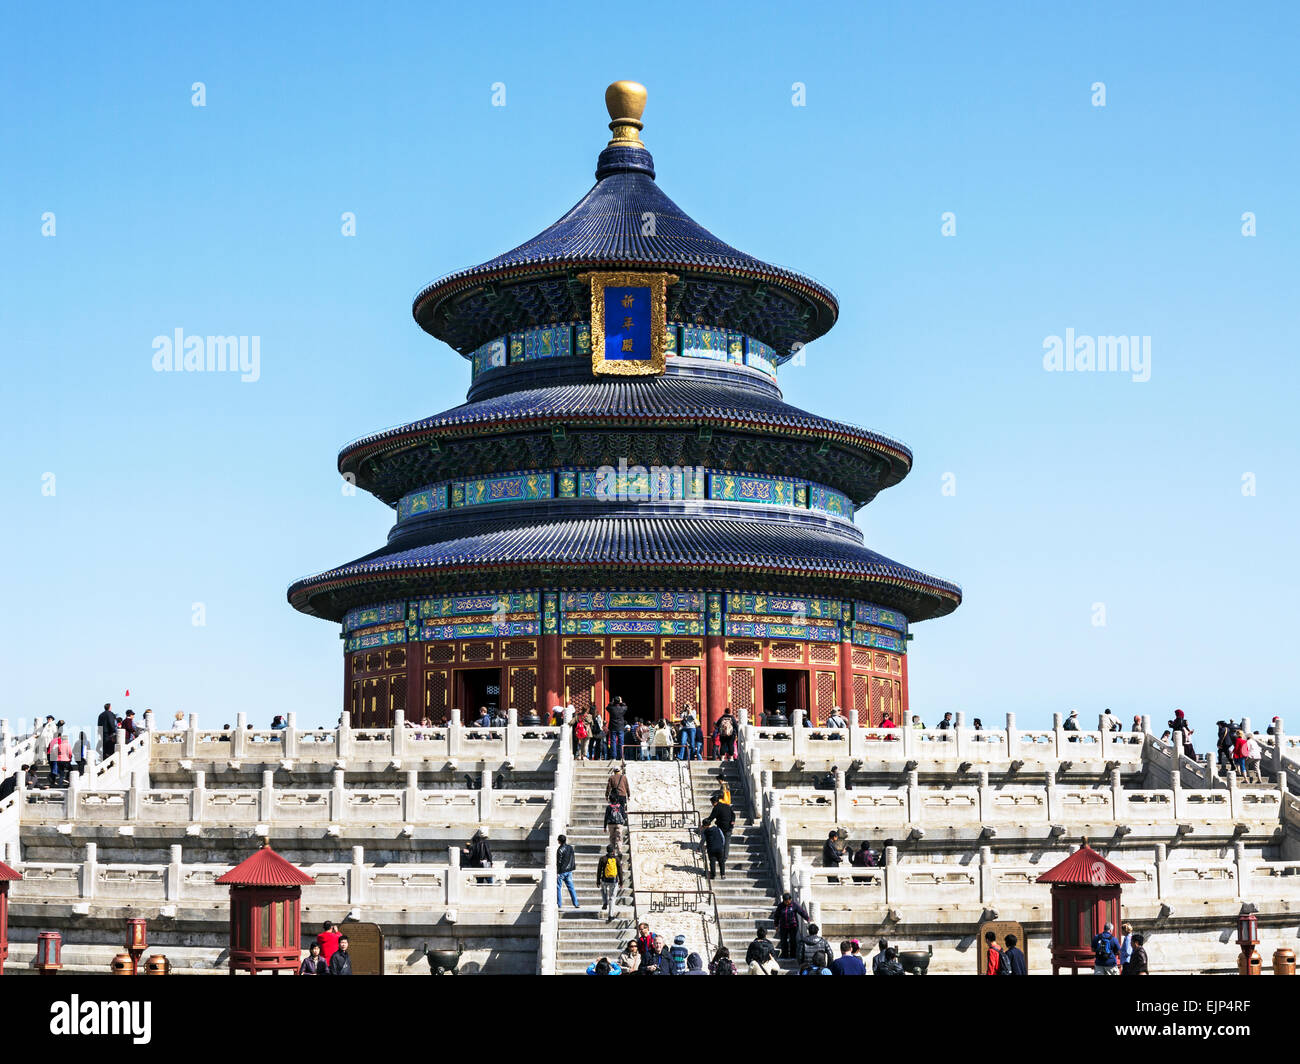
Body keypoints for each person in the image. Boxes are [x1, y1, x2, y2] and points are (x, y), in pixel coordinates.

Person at [701, 791, 735, 874]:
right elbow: (733, 814)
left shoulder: (716, 808)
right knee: (727, 843)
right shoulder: (726, 806)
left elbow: (711, 818)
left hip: (721, 828)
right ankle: (724, 858)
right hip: (729, 827)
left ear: (713, 802)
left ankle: (719, 857)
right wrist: (732, 821)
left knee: (720, 842)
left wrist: (704, 824)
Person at [772, 892, 809, 961]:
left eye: (788, 901)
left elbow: (801, 912)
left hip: (793, 926)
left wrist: (807, 918)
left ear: (790, 899)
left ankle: (793, 955)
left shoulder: (794, 905)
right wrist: (776, 925)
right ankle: (784, 955)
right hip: (783, 926)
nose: (787, 903)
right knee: (783, 941)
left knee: (793, 941)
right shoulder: (780, 906)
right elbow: (776, 916)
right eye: (785, 901)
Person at [596, 845, 623, 921]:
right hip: (614, 881)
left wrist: (598, 881)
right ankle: (610, 915)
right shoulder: (617, 859)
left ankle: (605, 902)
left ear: (607, 851)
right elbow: (620, 871)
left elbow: (599, 871)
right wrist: (621, 881)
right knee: (612, 898)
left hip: (604, 880)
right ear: (613, 851)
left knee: (603, 891)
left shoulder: (603, 859)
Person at [556, 833, 579, 909]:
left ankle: (559, 904)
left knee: (558, 887)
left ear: (559, 841)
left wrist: (558, 872)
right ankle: (576, 903)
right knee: (571, 887)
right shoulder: (570, 847)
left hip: (562, 871)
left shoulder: (560, 850)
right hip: (569, 870)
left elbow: (559, 862)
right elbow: (572, 858)